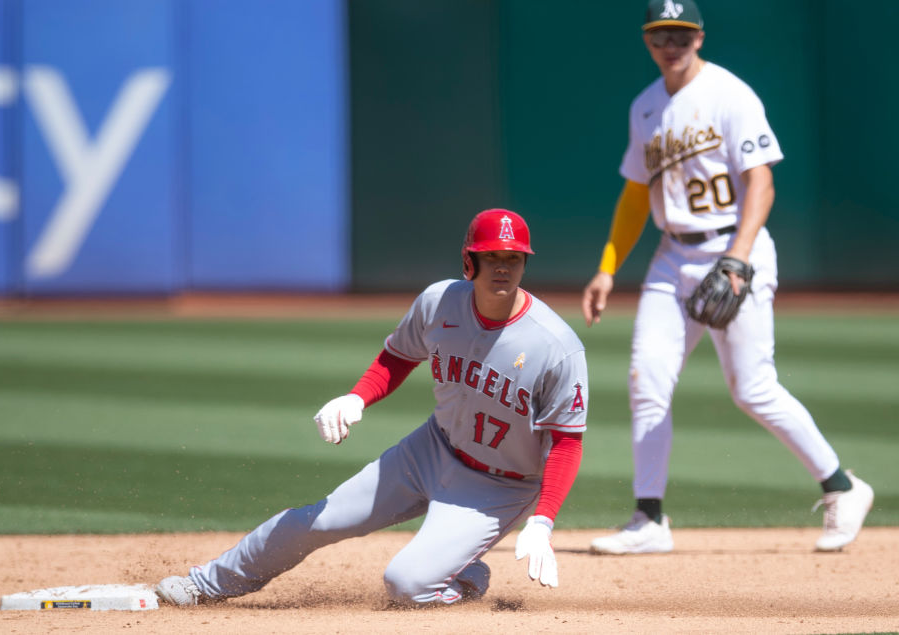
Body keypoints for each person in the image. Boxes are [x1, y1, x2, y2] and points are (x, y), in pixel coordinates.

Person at [156, 209, 589, 606]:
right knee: (316, 521)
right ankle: (206, 584)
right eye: (491, 256)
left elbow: (566, 442)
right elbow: (398, 357)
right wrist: (357, 396)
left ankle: (463, 576)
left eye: (513, 259)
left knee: (407, 585)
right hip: (431, 449)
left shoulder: (554, 346)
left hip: (495, 488)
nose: (502, 267)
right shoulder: (440, 302)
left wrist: (543, 520)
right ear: (468, 261)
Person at [581, 0, 873, 554]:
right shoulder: (645, 107)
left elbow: (761, 184)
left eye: (682, 34)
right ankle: (649, 519)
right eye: (661, 34)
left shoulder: (730, 95)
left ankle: (843, 486)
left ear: (699, 37)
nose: (672, 44)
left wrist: (738, 260)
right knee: (647, 381)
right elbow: (637, 193)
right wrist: (607, 266)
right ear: (647, 39)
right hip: (672, 257)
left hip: (733, 246)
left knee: (753, 388)